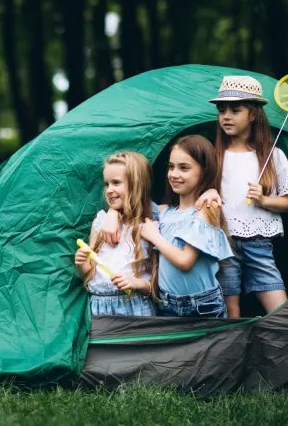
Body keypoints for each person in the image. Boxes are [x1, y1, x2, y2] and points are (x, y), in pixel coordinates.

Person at [199, 75, 288, 318]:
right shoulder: (214, 155)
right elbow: (197, 199)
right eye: (222, 110)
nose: (226, 116)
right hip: (223, 244)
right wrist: (209, 191)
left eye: (236, 110)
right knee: (230, 311)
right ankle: (235, 354)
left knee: (280, 310)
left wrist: (264, 201)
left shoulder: (273, 156)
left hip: (259, 244)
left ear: (253, 115)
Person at [140, 135, 234, 318]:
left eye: (184, 168)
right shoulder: (164, 211)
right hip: (167, 303)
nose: (174, 174)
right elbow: (131, 205)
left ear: (204, 172)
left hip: (201, 306)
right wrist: (111, 214)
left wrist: (155, 238)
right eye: (171, 167)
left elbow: (185, 261)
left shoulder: (207, 209)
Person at [74, 152, 157, 316]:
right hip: (99, 305)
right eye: (107, 184)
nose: (109, 190)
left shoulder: (150, 226)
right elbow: (91, 272)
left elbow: (157, 284)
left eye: (116, 183)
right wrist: (82, 262)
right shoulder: (101, 222)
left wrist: (137, 283)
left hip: (135, 304)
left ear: (136, 184)